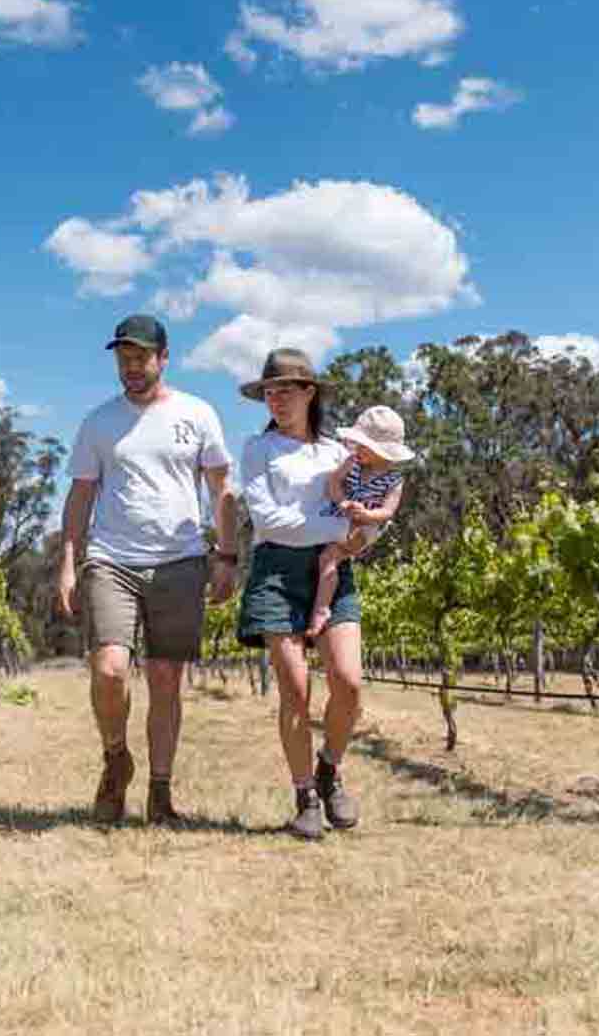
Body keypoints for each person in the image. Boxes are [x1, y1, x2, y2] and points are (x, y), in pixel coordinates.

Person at [55, 314, 239, 826]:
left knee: (165, 679)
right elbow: (81, 496)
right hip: (112, 559)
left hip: (181, 560)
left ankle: (161, 794)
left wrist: (226, 556)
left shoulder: (198, 414)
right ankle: (116, 759)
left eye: (140, 357)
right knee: (110, 669)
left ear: (163, 357)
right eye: (123, 358)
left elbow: (221, 490)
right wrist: (68, 563)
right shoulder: (98, 422)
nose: (131, 367)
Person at [234, 347, 365, 841]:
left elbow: (364, 518)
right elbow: (270, 523)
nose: (276, 400)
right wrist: (331, 526)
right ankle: (305, 793)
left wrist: (347, 536)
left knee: (348, 682)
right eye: (269, 392)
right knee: (295, 689)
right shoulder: (257, 450)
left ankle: (330, 768)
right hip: (276, 573)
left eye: (286, 390)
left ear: (310, 393)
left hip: (334, 570)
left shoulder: (338, 454)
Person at [306, 405, 413, 639]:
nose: (358, 448)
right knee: (316, 547)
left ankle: (322, 609)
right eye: (358, 443)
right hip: (343, 515)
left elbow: (387, 512)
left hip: (367, 526)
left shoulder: (394, 480)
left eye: (365, 445)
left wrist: (366, 515)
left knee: (329, 556)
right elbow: (333, 483)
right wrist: (343, 501)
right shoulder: (352, 463)